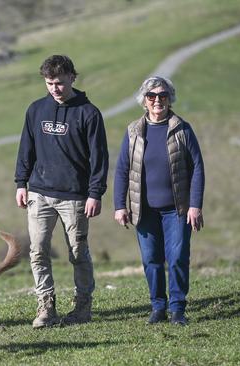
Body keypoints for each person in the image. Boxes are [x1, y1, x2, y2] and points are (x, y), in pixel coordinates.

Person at [15, 55, 109, 328]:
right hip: (39, 193)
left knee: (78, 252)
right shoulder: (35, 110)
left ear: (72, 78)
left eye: (59, 83)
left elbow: (99, 159)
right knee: (38, 251)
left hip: (75, 196)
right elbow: (26, 149)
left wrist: (95, 193)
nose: (55, 88)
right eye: (49, 83)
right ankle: (46, 305)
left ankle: (82, 306)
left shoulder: (89, 113)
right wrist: (21, 183)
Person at [113, 76, 205, 326]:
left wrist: (195, 205)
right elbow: (122, 169)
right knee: (151, 259)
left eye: (162, 96)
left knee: (177, 258)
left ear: (169, 99)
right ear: (144, 101)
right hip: (143, 210)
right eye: (151, 96)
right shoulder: (133, 131)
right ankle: (158, 307)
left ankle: (177, 309)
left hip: (178, 209)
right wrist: (120, 206)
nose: (157, 101)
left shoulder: (182, 129)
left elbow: (197, 166)